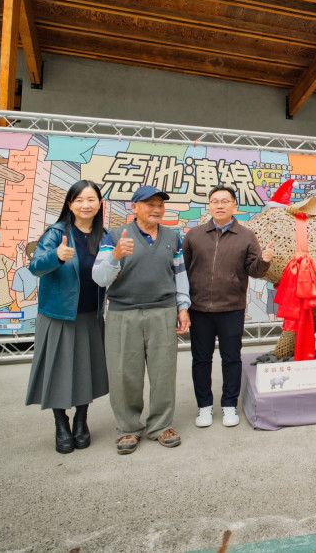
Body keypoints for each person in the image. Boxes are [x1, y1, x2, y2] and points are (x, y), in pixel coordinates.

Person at [93, 185, 191, 455]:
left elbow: (180, 274)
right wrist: (115, 256)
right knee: (124, 374)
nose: (157, 209)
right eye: (149, 204)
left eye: (160, 204)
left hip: (163, 311)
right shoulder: (114, 236)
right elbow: (99, 278)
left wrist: (183, 307)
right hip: (123, 313)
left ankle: (161, 426)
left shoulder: (172, 237)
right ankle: (127, 429)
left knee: (163, 372)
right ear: (134, 207)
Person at [25, 181, 110, 454]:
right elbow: (35, 267)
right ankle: (61, 423)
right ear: (70, 204)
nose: (86, 205)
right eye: (79, 200)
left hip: (90, 315)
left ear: (99, 204)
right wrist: (56, 256)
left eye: (91, 199)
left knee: (86, 370)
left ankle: (82, 420)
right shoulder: (56, 233)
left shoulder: (104, 236)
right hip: (59, 315)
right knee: (58, 371)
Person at [182, 184, 273, 429]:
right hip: (199, 309)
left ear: (235, 206)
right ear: (209, 205)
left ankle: (229, 405)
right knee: (200, 359)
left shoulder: (246, 236)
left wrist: (263, 261)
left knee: (231, 358)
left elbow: (253, 269)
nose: (219, 205)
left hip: (232, 308)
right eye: (214, 201)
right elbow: (186, 269)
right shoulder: (194, 235)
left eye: (224, 201)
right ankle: (204, 407)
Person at [11, 241, 39, 335]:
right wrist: (37, 301)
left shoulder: (49, 271)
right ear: (31, 254)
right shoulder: (21, 273)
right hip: (28, 318)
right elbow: (20, 303)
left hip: (48, 319)